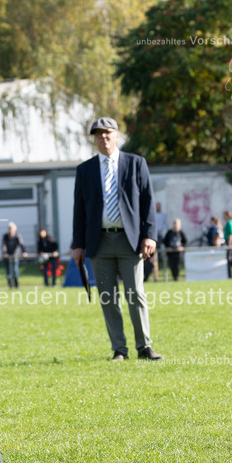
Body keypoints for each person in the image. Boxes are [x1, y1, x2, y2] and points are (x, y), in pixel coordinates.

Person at [70, 117, 163, 361]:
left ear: (117, 135)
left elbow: (148, 202)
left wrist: (149, 235)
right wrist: (77, 245)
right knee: (108, 298)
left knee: (136, 295)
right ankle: (119, 349)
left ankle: (144, 347)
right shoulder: (85, 170)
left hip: (130, 241)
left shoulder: (136, 163)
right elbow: (79, 209)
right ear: (94, 139)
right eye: (99, 134)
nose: (104, 137)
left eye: (108, 132)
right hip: (99, 242)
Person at [1, 222, 27, 288]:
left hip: (15, 257)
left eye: (12, 228)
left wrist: (24, 252)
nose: (11, 230)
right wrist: (5, 253)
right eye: (9, 228)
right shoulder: (5, 236)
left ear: (15, 229)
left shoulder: (17, 236)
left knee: (15, 272)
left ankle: (16, 285)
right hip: (7, 257)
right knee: (8, 273)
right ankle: (10, 286)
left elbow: (21, 244)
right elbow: (3, 246)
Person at [222, 211, 232, 278]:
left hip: (230, 242)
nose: (223, 217)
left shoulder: (230, 223)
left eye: (224, 215)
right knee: (231, 260)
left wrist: (229, 244)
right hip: (228, 241)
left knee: (231, 259)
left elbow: (231, 234)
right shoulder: (228, 223)